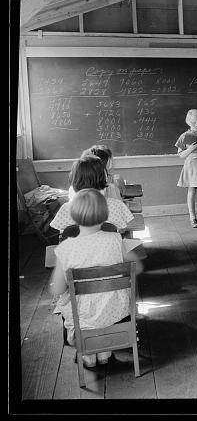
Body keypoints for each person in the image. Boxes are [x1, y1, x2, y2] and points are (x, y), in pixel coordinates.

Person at [50, 189, 143, 368]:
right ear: (104, 215)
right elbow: (137, 268)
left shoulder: (65, 248)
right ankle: (103, 351)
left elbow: (58, 289)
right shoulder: (116, 240)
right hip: (116, 308)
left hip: (82, 315)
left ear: (73, 216)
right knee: (102, 307)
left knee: (68, 302)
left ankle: (91, 353)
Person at [50, 156, 134, 233]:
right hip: (107, 248)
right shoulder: (116, 205)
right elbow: (122, 230)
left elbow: (63, 233)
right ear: (105, 178)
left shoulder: (66, 209)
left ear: (73, 180)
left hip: (77, 249)